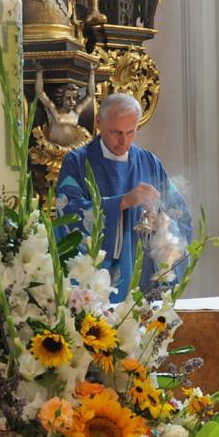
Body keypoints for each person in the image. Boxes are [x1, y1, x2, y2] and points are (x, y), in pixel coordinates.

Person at [55, 92, 192, 300]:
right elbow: (67, 214)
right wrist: (122, 202)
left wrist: (161, 224)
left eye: (130, 132)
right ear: (99, 122)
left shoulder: (149, 162)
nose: (123, 141)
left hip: (143, 280)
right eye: (116, 132)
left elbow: (180, 217)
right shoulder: (76, 162)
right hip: (96, 290)